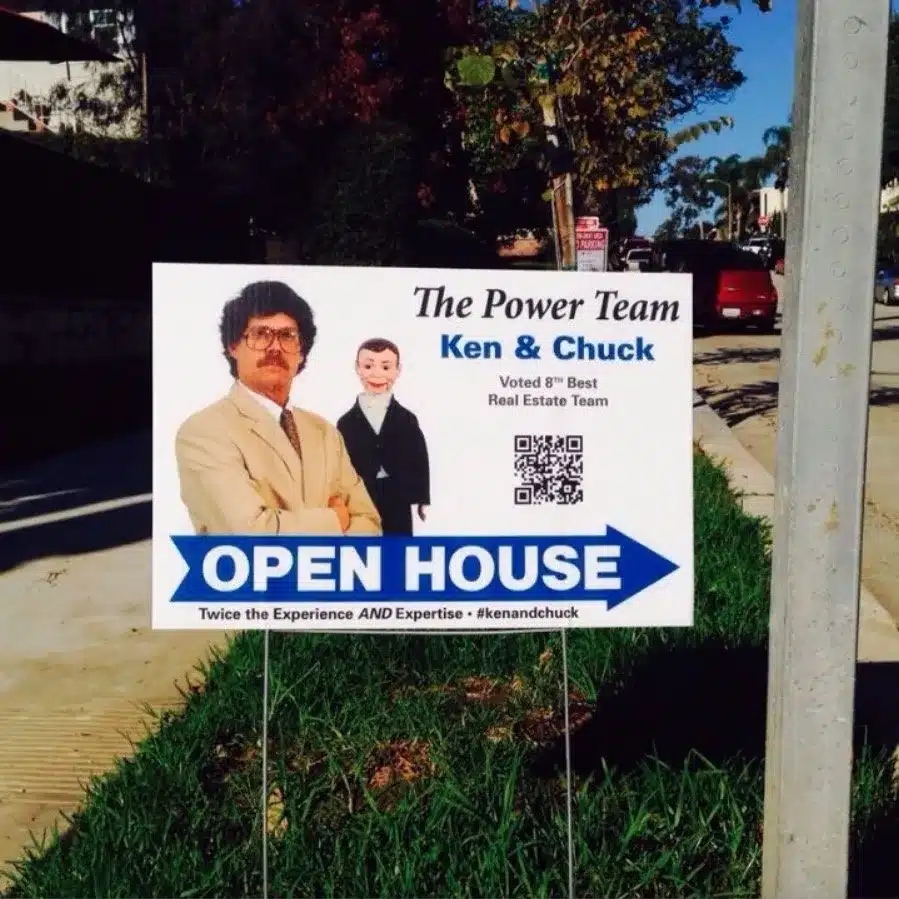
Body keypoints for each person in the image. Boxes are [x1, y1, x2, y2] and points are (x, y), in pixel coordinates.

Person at [175, 281, 381, 536]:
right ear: (233, 346)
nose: (274, 347)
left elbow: (369, 523)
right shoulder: (203, 432)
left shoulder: (325, 432)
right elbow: (252, 533)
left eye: (287, 336)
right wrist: (336, 520)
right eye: (260, 334)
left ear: (301, 352)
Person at [337, 338, 430, 536]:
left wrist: (422, 498)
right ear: (358, 368)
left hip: (397, 492)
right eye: (368, 366)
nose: (377, 374)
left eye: (386, 367)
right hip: (361, 494)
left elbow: (419, 457)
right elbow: (339, 463)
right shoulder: (346, 422)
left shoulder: (406, 418)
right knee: (364, 539)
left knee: (398, 541)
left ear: (398, 370)